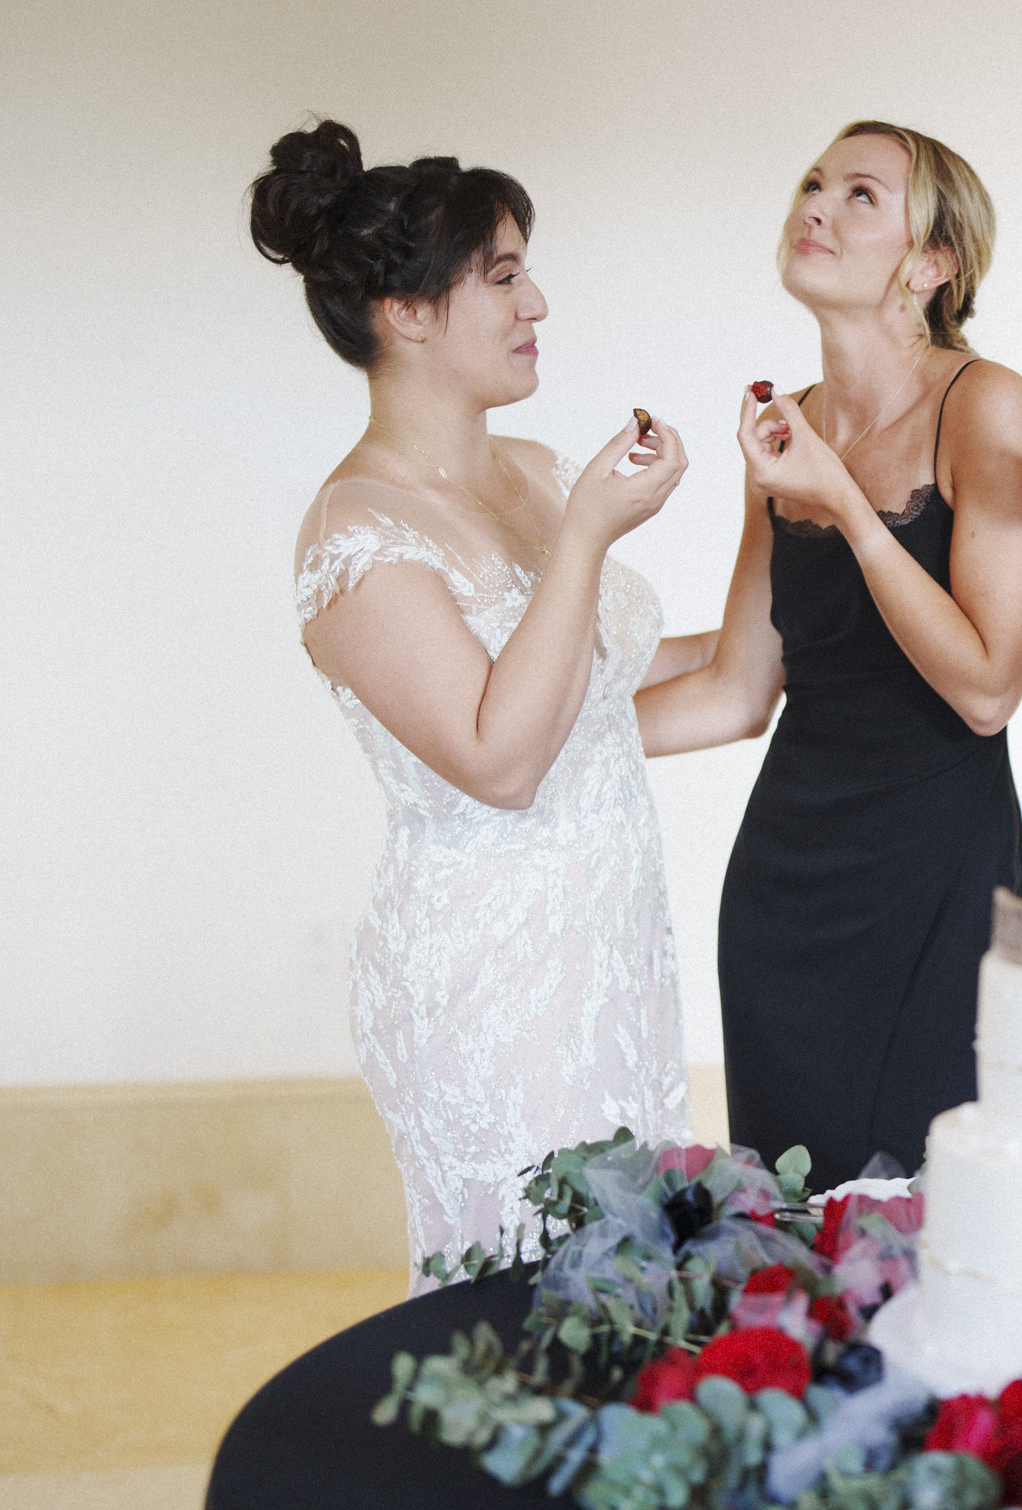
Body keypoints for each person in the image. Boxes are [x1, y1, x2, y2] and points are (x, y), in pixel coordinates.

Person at [253, 120, 693, 1293]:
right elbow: (502, 757)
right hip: (491, 979)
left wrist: (794, 525)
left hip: (609, 951)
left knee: (633, 1286)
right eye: (502, 276)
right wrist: (594, 535)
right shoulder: (356, 534)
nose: (536, 299)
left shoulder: (542, 473)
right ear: (404, 312)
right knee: (534, 1300)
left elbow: (623, 697)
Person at [636, 122, 1022, 1182]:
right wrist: (537, 722)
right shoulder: (788, 429)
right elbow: (735, 685)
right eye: (814, 182)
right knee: (794, 1224)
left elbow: (991, 685)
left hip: (938, 879)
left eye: (861, 194)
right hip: (786, 891)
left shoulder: (983, 402)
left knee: (939, 1217)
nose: (814, 204)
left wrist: (847, 509)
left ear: (931, 263)